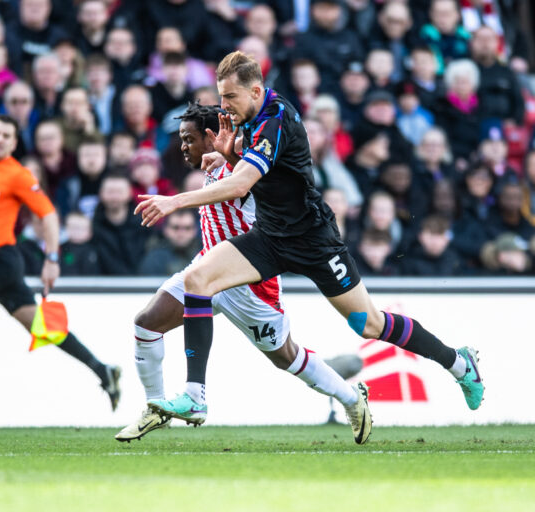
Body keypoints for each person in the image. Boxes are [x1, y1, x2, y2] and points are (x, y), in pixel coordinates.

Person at [136, 52, 485, 432]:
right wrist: (229, 152)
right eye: (221, 98)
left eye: (231, 98)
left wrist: (175, 201)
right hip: (269, 236)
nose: (224, 107)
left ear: (255, 90)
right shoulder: (248, 117)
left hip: (314, 240)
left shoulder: (275, 121)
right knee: (197, 280)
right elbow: (260, 168)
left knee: (369, 324)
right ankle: (195, 395)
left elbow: (240, 184)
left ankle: (459, 362)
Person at [117, 103, 371, 443]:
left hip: (250, 281)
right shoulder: (215, 163)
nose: (183, 146)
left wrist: (179, 197)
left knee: (286, 357)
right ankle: (158, 406)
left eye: (188, 138)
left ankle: (352, 399)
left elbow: (245, 185)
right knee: (146, 323)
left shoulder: (246, 168)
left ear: (211, 137)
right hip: (207, 269)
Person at [0, 114, 121, 408]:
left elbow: (49, 215)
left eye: (7, 136)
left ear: (14, 143)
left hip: (0, 258)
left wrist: (52, 258)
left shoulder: (16, 175)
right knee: (43, 328)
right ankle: (102, 369)